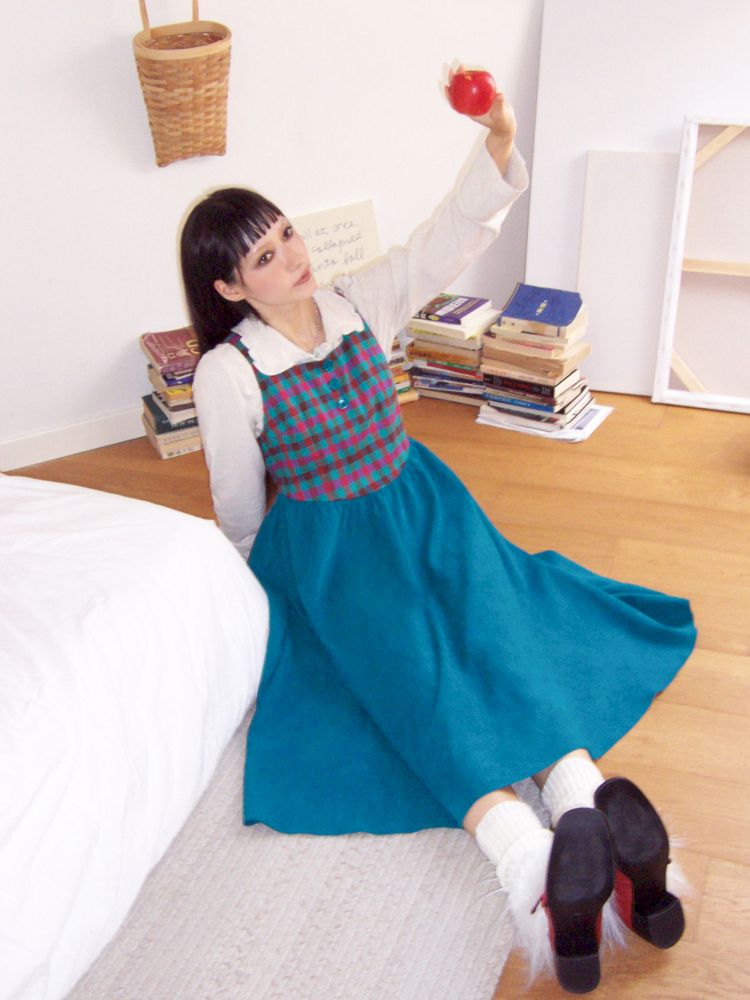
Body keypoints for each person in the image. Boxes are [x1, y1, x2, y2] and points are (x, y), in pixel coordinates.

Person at [180, 80, 696, 994]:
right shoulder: (229, 371)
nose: (292, 256)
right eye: (264, 255)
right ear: (228, 288)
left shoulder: (356, 300)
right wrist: (263, 596)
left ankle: (566, 829)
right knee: (424, 673)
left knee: (484, 636)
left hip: (424, 510)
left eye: (288, 234)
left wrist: (498, 139)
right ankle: (557, 823)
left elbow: (446, 237)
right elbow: (237, 500)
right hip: (336, 554)